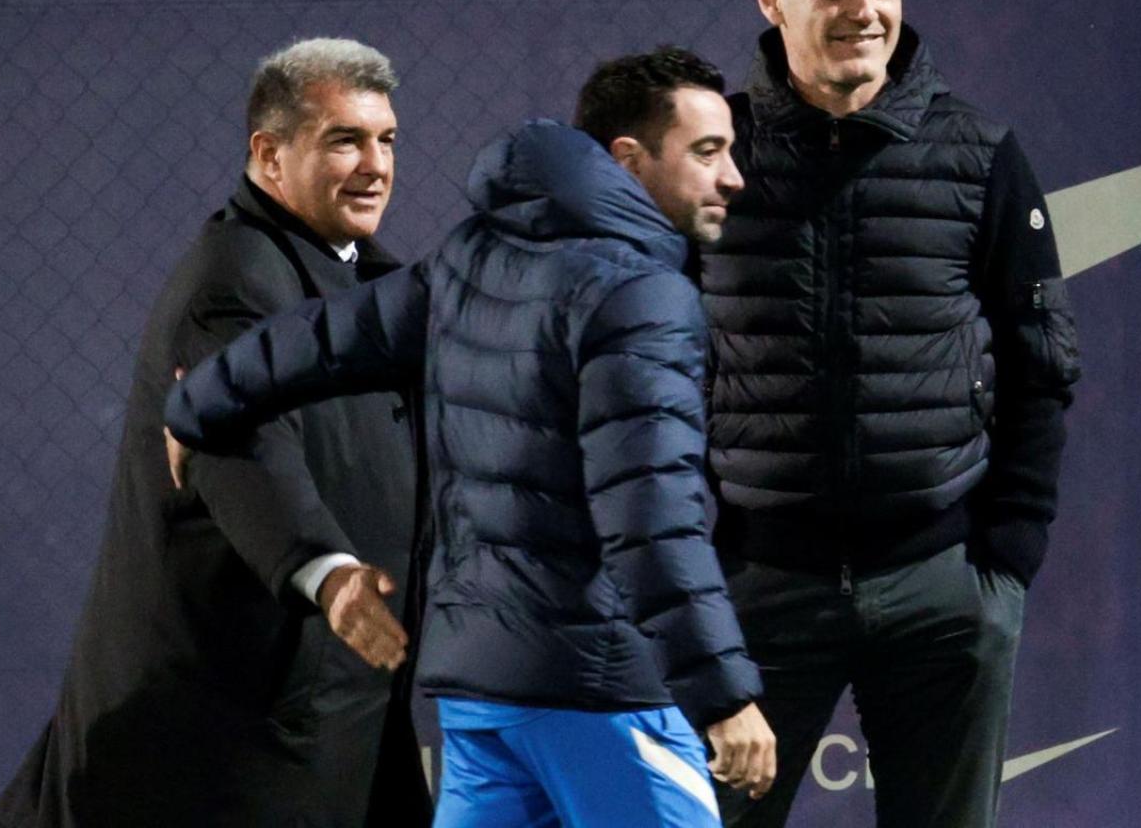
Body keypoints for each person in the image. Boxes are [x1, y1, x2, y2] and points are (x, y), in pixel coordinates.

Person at [164, 46, 777, 828]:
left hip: (483, 691)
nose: (733, 177)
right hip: (599, 690)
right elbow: (651, 514)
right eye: (707, 152)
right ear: (629, 160)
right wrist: (721, 695)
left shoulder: (471, 255)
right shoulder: (643, 295)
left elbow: (318, 341)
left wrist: (195, 407)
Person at [696, 0, 1083, 828]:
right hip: (754, 593)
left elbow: (1041, 364)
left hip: (942, 592)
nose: (864, 12)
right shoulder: (713, 155)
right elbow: (645, 370)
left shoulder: (981, 154)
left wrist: (1007, 560)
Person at [0, 38, 432, 828]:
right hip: (238, 731)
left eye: (386, 139)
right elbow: (240, 447)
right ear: (269, 154)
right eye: (345, 140)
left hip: (333, 705)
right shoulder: (234, 280)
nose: (375, 165)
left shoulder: (370, 281)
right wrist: (326, 572)